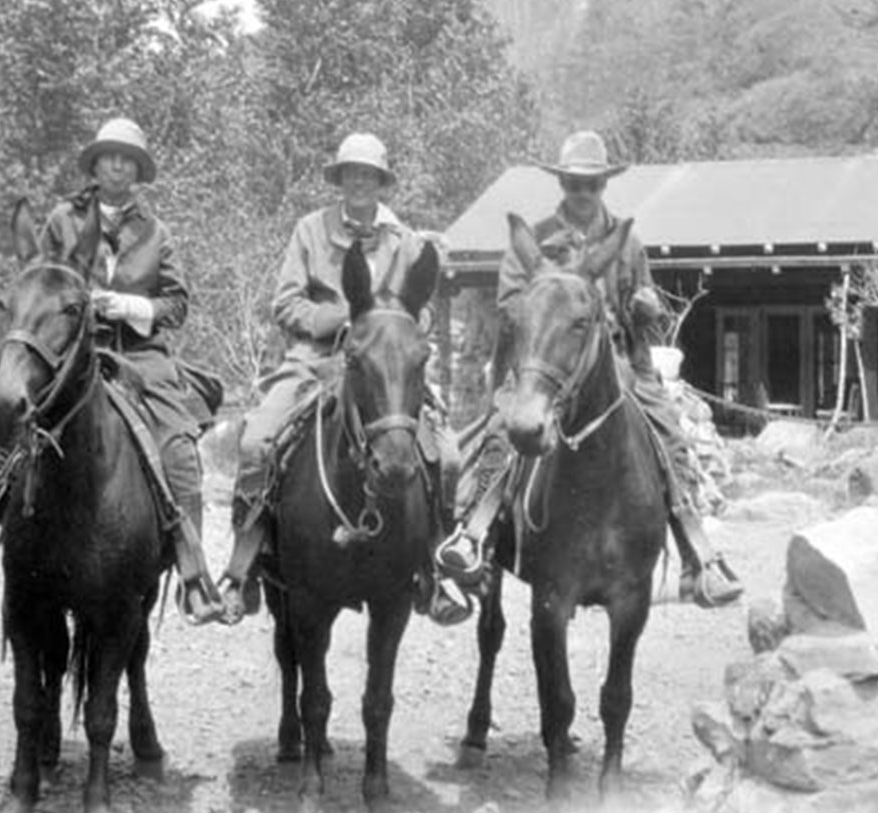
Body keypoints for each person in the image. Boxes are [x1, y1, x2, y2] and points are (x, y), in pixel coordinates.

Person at [0, 118, 224, 623]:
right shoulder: (64, 218)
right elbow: (39, 279)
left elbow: (176, 304)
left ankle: (193, 570)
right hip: (65, 349)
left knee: (177, 443)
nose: (117, 166)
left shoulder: (156, 232)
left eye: (128, 160)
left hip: (137, 353)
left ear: (138, 171)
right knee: (11, 423)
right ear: (95, 163)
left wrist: (127, 306)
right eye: (110, 156)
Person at [436, 130, 743, 608]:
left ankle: (696, 553)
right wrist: (548, 309)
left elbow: (645, 299)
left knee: (667, 432)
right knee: (501, 431)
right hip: (546, 362)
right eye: (574, 184)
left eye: (592, 184)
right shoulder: (533, 239)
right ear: (562, 185)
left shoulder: (627, 240)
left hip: (617, 360)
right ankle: (476, 535)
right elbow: (511, 304)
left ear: (604, 185)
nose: (583, 194)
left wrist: (645, 305)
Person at [217, 132, 461, 624]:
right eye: (351, 174)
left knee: (447, 453)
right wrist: (339, 321)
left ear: (381, 182)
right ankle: (245, 565)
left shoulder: (405, 240)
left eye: (368, 175)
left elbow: (423, 312)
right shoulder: (310, 230)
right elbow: (285, 303)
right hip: (314, 360)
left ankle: (435, 572)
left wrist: (400, 327)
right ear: (340, 179)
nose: (359, 183)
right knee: (258, 441)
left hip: (385, 368)